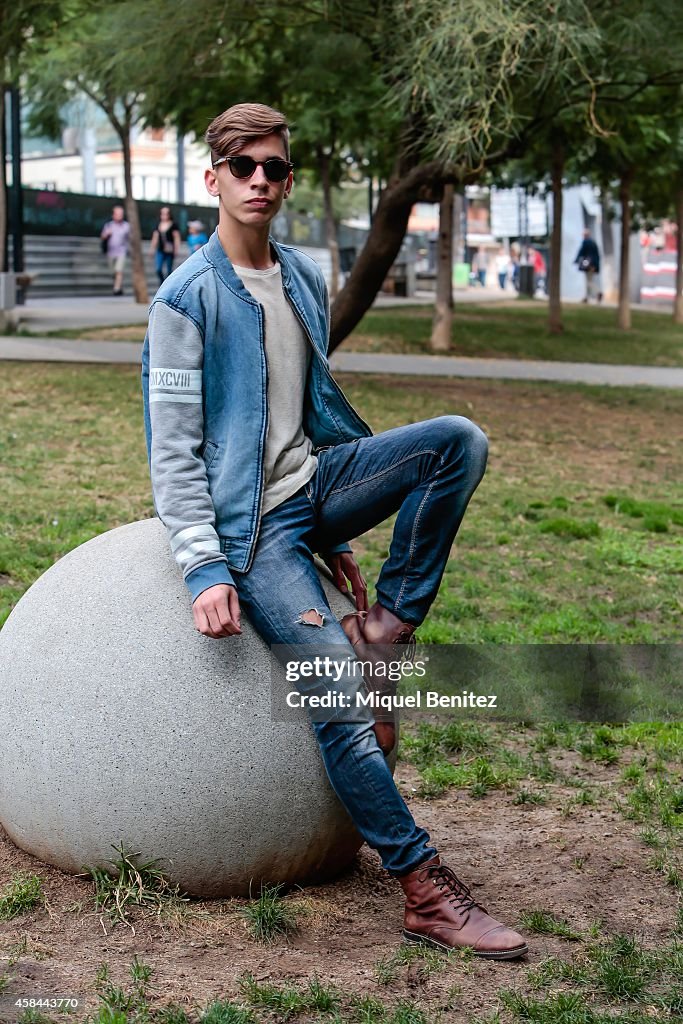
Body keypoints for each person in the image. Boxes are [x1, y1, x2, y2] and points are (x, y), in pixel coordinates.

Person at [141, 102, 528, 960]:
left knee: (455, 443)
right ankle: (423, 888)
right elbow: (171, 455)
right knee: (340, 704)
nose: (259, 182)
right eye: (242, 168)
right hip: (254, 531)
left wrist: (344, 545)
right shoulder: (185, 299)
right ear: (212, 180)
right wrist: (204, 567)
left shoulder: (305, 276)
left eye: (273, 167)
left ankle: (387, 629)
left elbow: (307, 415)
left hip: (316, 487)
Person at [100, 204, 130, 296]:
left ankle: (116, 289)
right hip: (111, 252)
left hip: (121, 251)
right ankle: (119, 287)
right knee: (113, 272)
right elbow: (102, 237)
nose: (120, 215)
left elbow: (130, 238)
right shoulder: (109, 225)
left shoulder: (126, 226)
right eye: (118, 213)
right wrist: (107, 234)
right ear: (113, 215)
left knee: (119, 270)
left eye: (121, 213)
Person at [149, 206, 181, 284]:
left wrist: (176, 249)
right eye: (163, 213)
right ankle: (162, 283)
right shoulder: (158, 225)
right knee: (158, 269)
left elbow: (176, 237)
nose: (164, 215)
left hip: (170, 250)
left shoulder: (173, 225)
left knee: (169, 270)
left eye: (166, 213)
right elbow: (155, 238)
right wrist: (152, 249)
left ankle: (167, 285)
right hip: (160, 249)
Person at [574, 230, 602, 303]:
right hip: (593, 265)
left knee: (589, 281)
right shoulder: (594, 243)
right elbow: (598, 255)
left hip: (588, 265)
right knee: (589, 281)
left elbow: (581, 252)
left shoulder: (586, 242)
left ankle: (597, 292)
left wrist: (576, 260)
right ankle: (587, 297)